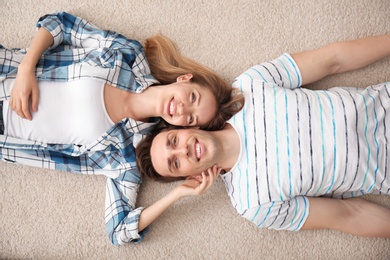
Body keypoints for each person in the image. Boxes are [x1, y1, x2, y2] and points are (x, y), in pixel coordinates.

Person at [0, 12, 244, 245]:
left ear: (185, 128)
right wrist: (26, 68)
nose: (181, 109)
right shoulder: (128, 55)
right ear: (185, 79)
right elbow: (61, 24)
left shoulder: (130, 155)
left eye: (190, 119)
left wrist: (178, 193)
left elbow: (118, 231)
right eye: (192, 98)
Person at [136, 34, 390, 238]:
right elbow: (347, 215)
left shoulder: (249, 85)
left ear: (187, 128)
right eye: (175, 162)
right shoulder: (254, 205)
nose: (183, 151)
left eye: (174, 142)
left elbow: (333, 59)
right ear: (191, 177)